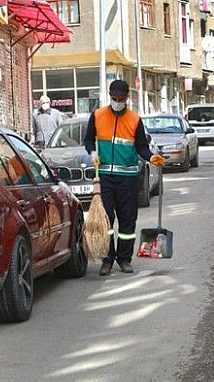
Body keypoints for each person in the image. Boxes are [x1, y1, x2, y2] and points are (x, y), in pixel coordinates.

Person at [84, 79, 167, 275]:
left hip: (128, 178)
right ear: (110, 96)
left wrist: (152, 157)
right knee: (107, 219)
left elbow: (141, 147)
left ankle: (124, 259)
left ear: (127, 98)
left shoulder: (134, 120)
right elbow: (88, 139)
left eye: (121, 99)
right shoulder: (97, 116)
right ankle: (107, 259)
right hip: (105, 176)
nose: (117, 102)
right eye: (114, 98)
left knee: (127, 220)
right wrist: (92, 152)